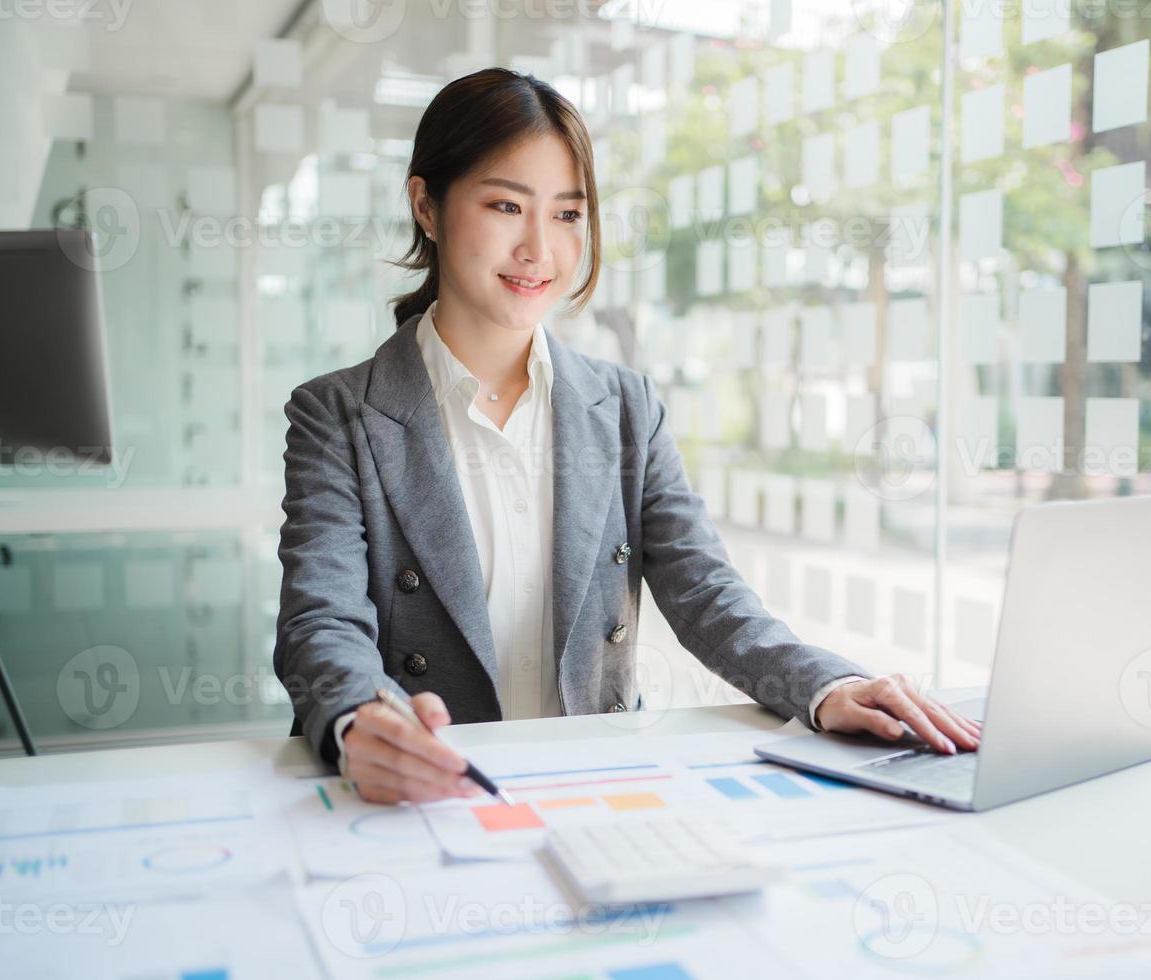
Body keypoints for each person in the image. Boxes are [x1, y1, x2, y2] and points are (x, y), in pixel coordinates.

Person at [274, 68, 979, 804]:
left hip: (596, 790)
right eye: (506, 205)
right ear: (427, 205)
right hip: (430, 796)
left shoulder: (624, 406)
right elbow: (321, 620)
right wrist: (359, 722)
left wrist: (828, 684)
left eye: (568, 215)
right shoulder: (338, 413)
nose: (538, 250)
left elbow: (704, 592)